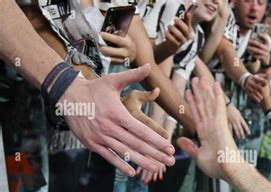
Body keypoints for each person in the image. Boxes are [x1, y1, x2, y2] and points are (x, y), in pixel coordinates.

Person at [0, 0, 175, 177]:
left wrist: (94, 94)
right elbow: (28, 18)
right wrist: (69, 87)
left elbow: (36, 22)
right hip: (25, 111)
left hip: (55, 121)